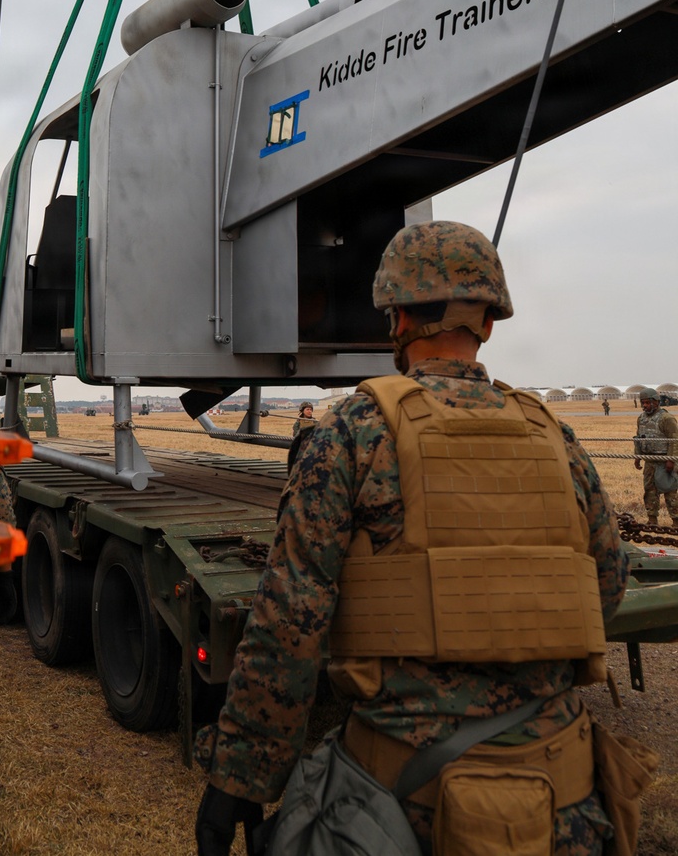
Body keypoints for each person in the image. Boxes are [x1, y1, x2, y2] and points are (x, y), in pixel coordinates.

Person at [194, 220, 633, 856]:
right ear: (488, 323)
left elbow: (289, 619)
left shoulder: (354, 431)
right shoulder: (555, 437)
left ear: (396, 319)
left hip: (399, 809)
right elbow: (607, 590)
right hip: (562, 804)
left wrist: (243, 775)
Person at [633, 387, 678, 526]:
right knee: (649, 491)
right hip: (649, 462)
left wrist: (671, 460)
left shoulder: (667, 419)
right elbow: (639, 438)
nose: (645, 405)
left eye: (648, 402)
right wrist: (638, 456)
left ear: (656, 402)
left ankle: (676, 521)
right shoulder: (641, 418)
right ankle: (652, 519)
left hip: (664, 461)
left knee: (670, 491)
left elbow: (674, 441)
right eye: (643, 403)